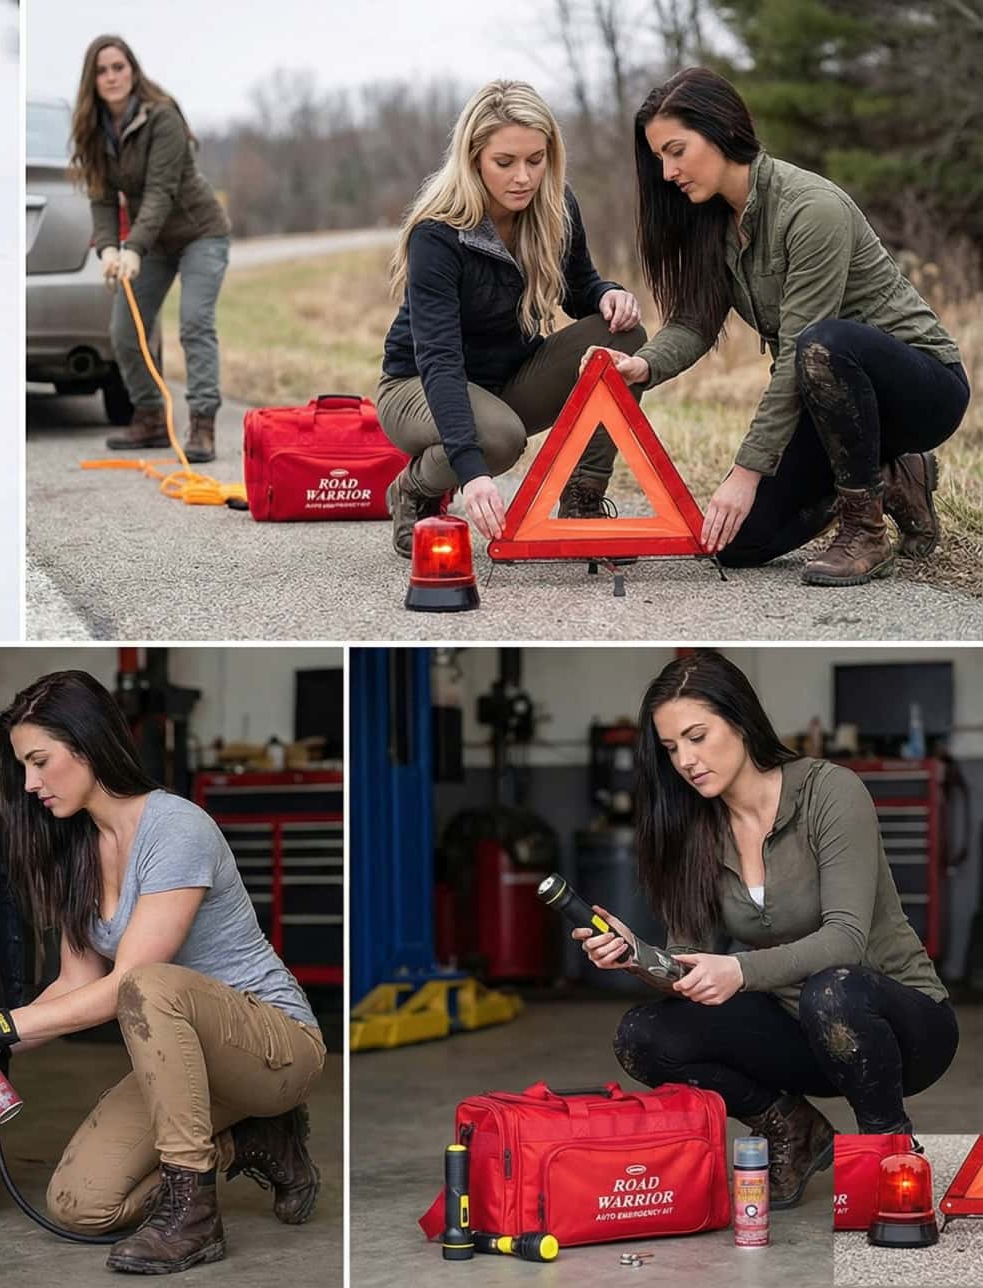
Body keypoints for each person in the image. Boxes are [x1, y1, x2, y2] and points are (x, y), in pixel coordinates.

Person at [0, 671, 325, 1275]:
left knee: (146, 983)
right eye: (22, 768)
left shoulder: (176, 827)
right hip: (184, 1062)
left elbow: (130, 983)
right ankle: (259, 1142)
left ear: (86, 746)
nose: (30, 784)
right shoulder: (76, 849)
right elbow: (75, 987)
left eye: (40, 761)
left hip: (274, 1047)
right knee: (79, 1205)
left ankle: (193, 1216)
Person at [577, 650, 957, 1209]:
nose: (685, 759)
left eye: (698, 736)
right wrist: (637, 955)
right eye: (671, 748)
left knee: (836, 987)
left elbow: (846, 938)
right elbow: (695, 964)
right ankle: (793, 1129)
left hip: (901, 1028)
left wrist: (741, 969)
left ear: (740, 720)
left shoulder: (830, 791)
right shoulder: (696, 829)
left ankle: (888, 1146)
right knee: (645, 1037)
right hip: (800, 1031)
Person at [593, 66, 968, 584]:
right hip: (832, 405)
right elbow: (696, 321)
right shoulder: (715, 221)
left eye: (676, 151)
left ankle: (865, 530)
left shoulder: (812, 209)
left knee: (823, 343)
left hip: (923, 391)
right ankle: (896, 474)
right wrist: (645, 364)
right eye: (659, 157)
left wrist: (746, 472)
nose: (667, 172)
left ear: (722, 129)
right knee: (738, 544)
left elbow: (800, 351)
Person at [379, 79, 647, 557]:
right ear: (474, 159)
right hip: (418, 384)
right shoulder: (437, 234)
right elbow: (439, 357)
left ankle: (581, 503)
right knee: (497, 441)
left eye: (535, 160)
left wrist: (608, 294)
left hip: (509, 381)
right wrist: (472, 472)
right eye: (505, 163)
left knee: (621, 336)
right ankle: (414, 489)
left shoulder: (557, 207)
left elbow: (580, 286)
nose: (523, 177)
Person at [68, 34, 231, 463]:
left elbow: (160, 191)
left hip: (201, 234)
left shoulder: (162, 118)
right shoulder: (95, 131)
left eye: (118, 67)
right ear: (92, 79)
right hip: (152, 241)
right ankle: (151, 419)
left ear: (133, 70)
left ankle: (202, 425)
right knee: (124, 330)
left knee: (194, 324)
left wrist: (133, 246)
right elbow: (102, 198)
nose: (111, 77)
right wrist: (107, 249)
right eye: (102, 70)